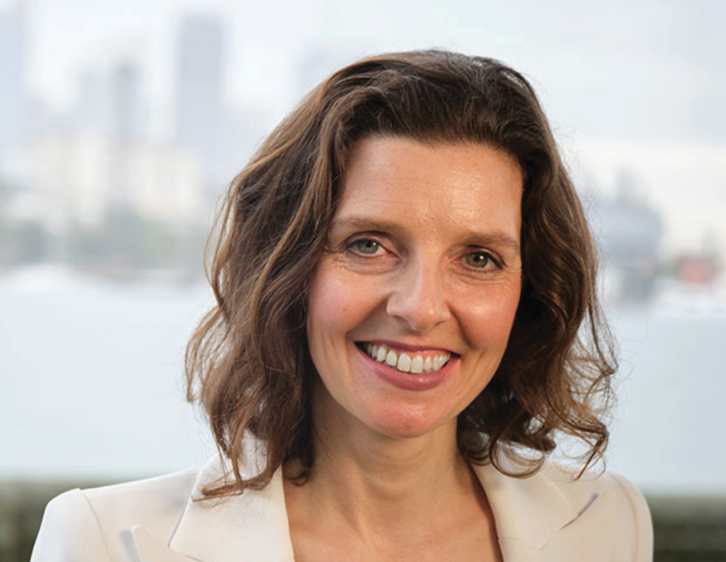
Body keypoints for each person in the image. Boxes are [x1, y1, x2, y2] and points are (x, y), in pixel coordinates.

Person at [31, 49, 653, 561]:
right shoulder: (97, 542)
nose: (421, 307)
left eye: (479, 258)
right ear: (288, 266)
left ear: (530, 291)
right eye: (369, 245)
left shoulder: (611, 528)